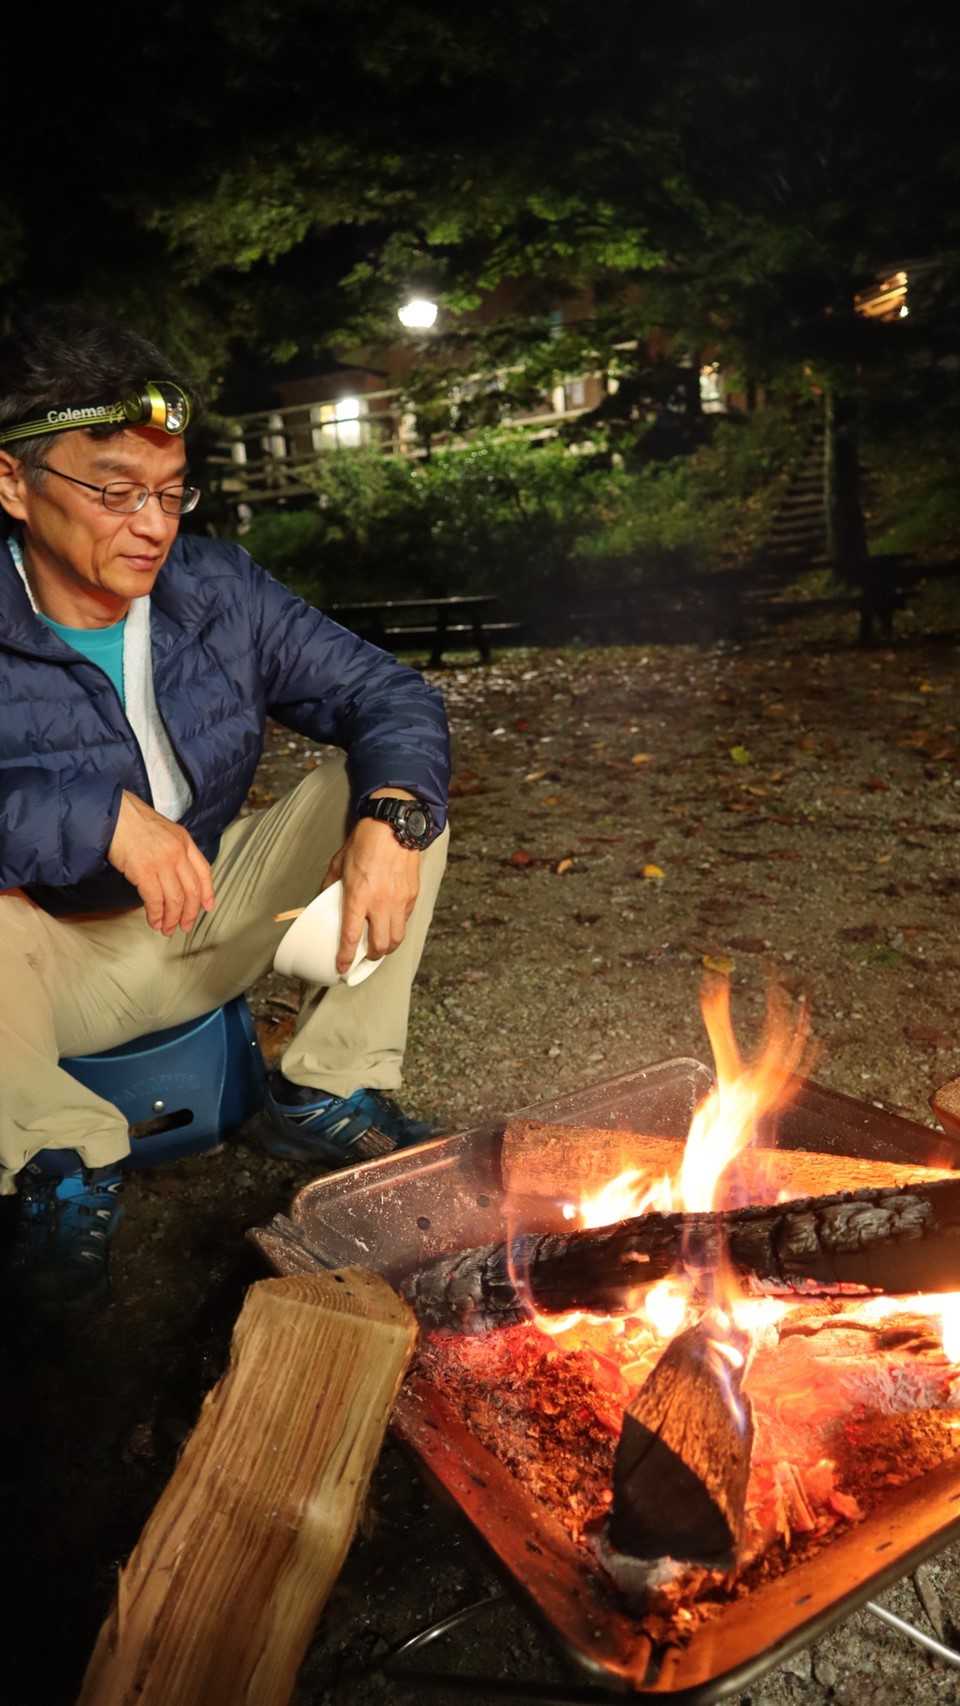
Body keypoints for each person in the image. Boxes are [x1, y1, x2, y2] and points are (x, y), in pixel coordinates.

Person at [0, 312, 450, 1312]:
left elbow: (390, 694)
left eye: (171, 492)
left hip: (207, 916)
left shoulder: (217, 592)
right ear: (14, 484)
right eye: (116, 491)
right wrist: (97, 816)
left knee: (392, 796)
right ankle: (54, 1161)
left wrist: (391, 816)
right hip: (45, 970)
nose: (153, 525)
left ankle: (322, 1089)